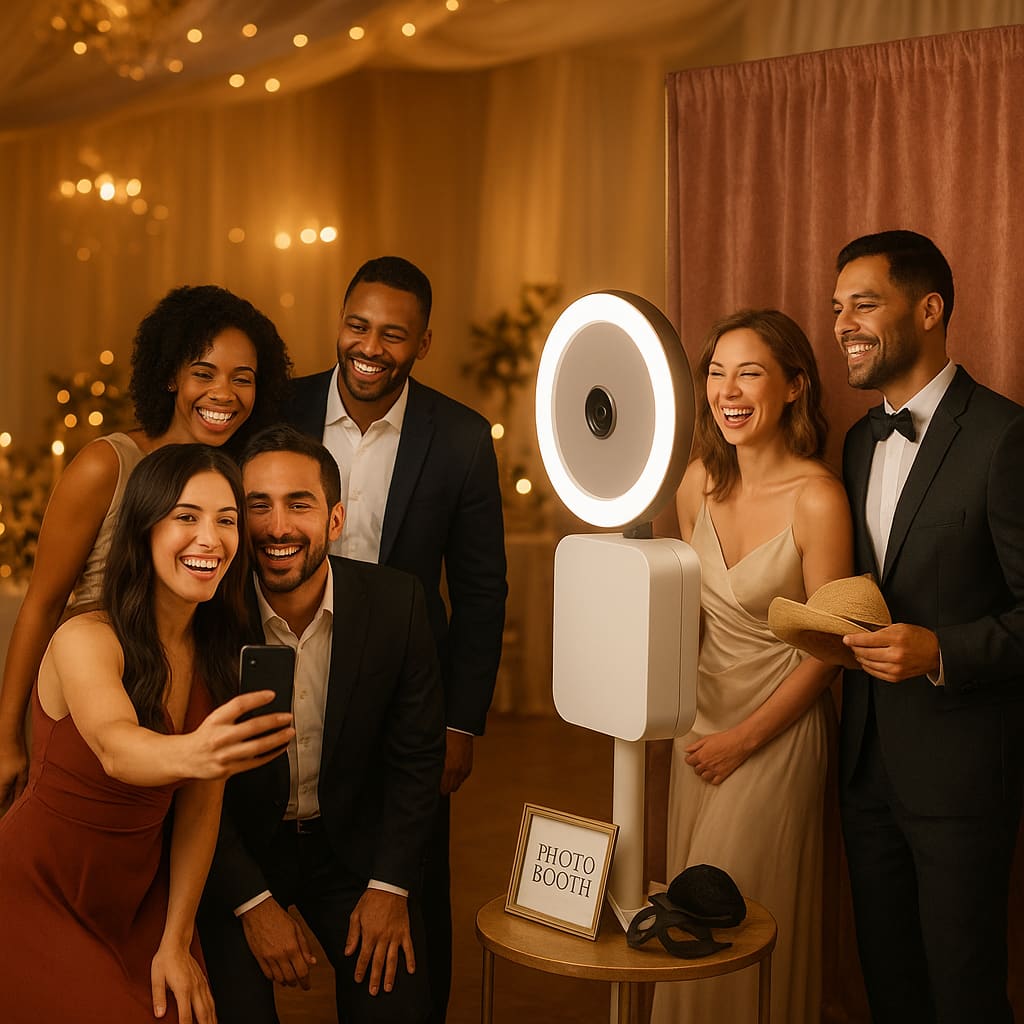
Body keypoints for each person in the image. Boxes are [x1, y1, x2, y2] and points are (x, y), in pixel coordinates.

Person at [0, 444, 294, 1024]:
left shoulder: (215, 654)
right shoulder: (84, 636)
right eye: (186, 517)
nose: (210, 538)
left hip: (138, 903)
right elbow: (114, 746)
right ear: (143, 528)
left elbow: (199, 813)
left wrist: (176, 939)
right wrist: (198, 750)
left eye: (226, 520)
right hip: (35, 892)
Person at [284, 255, 506, 1021]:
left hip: (405, 699)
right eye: (357, 325)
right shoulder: (279, 411)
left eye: (392, 333)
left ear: (423, 344)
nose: (369, 346)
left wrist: (460, 721)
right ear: (339, 321)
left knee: (407, 912)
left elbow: (480, 591)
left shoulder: (463, 438)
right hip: (283, 677)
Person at [0, 284, 292, 812]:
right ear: (168, 375)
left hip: (184, 702)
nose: (223, 393)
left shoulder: (233, 479)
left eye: (242, 379)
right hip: (93, 709)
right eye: (204, 373)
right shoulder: (106, 466)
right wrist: (4, 738)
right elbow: (41, 604)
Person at [833, 230, 1024, 1023]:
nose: (843, 324)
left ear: (930, 309)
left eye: (864, 304)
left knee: (962, 992)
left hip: (960, 781)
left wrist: (941, 650)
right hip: (864, 769)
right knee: (891, 989)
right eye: (837, 308)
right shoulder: (853, 442)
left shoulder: (1004, 438)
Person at [197, 424, 445, 1024]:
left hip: (352, 852)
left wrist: (390, 886)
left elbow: (416, 761)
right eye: (258, 506)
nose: (277, 527)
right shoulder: (206, 619)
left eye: (298, 504)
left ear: (335, 520)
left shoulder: (397, 604)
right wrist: (251, 901)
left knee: (400, 1009)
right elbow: (194, 784)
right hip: (242, 854)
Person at [650, 309, 852, 1024]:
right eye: (716, 372)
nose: (728, 390)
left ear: (796, 385)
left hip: (776, 731)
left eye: (750, 372)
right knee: (691, 918)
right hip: (695, 731)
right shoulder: (694, 483)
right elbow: (685, 618)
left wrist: (743, 739)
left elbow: (831, 651)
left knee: (743, 909)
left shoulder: (818, 498)